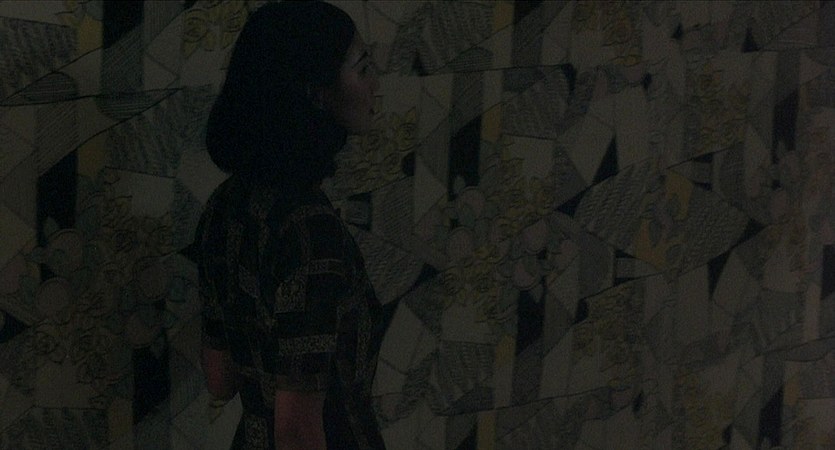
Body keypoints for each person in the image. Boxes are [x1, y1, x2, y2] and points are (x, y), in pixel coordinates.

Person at [194, 1, 384, 448]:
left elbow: (220, 379)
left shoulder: (224, 206)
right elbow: (297, 433)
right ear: (316, 94)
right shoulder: (310, 232)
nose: (375, 83)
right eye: (362, 69)